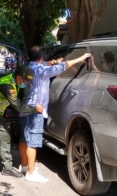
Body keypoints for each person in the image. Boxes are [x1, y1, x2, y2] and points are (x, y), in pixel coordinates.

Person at [18, 46, 92, 183]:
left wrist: (53, 61)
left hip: (25, 109)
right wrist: (79, 59)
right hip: (36, 110)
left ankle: (24, 166)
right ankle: (31, 173)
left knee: (24, 140)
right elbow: (63, 67)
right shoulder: (41, 71)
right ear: (41, 57)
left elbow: (45, 65)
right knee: (32, 143)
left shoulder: (29, 66)